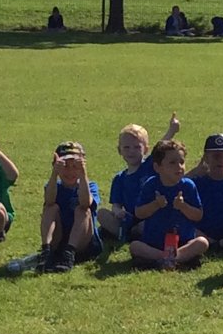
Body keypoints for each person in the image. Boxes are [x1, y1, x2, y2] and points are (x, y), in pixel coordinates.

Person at [96, 113, 177, 244]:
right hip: (129, 218)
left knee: (147, 225)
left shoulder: (149, 165)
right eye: (126, 147)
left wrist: (172, 130)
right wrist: (117, 212)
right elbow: (116, 204)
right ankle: (124, 232)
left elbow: (161, 146)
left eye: (137, 147)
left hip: (151, 213)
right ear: (119, 150)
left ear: (146, 149)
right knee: (101, 214)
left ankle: (123, 234)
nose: (131, 151)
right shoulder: (119, 178)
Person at [130, 137, 207, 271]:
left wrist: (183, 206)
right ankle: (166, 258)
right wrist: (156, 204)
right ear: (157, 167)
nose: (179, 167)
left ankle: (171, 259)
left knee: (202, 242)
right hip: (155, 243)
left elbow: (198, 215)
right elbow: (139, 213)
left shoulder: (188, 186)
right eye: (172, 163)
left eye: (182, 162)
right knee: (135, 246)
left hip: (182, 242)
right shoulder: (151, 184)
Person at [39, 140, 100, 272]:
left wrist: (83, 175)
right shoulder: (54, 186)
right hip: (59, 239)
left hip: (83, 243)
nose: (70, 171)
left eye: (75, 166)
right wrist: (54, 174)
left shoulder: (89, 186)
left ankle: (69, 253)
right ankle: (46, 250)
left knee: (82, 210)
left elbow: (85, 203)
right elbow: (49, 200)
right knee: (50, 208)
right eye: (65, 166)